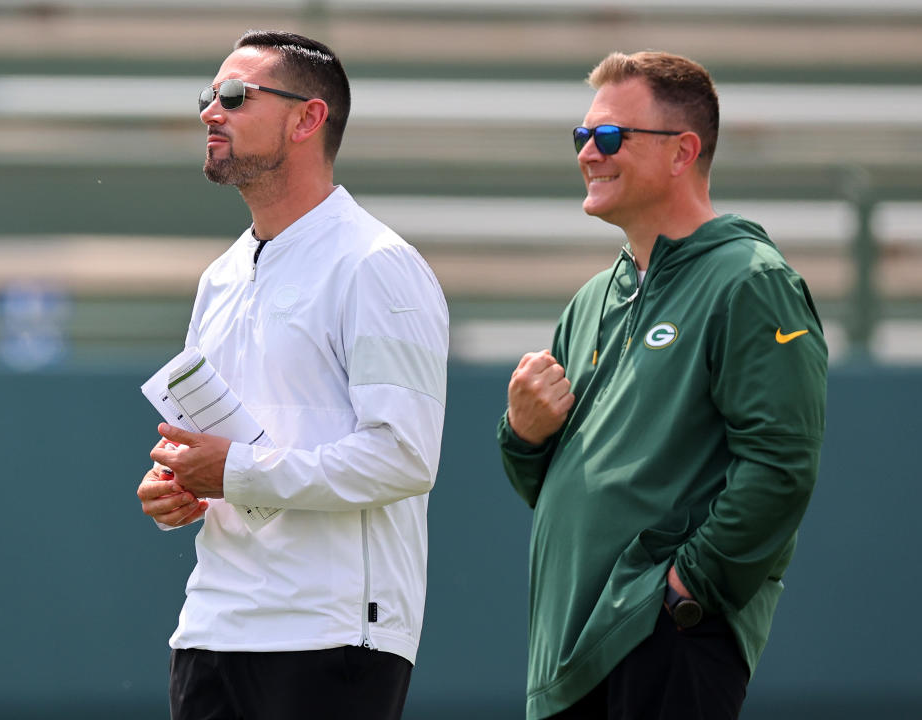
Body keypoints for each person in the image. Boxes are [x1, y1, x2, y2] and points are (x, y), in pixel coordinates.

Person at [497, 51, 828, 720]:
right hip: (568, 650)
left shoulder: (751, 281)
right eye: (582, 137)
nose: (589, 153)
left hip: (662, 633)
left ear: (682, 153)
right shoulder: (592, 298)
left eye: (611, 137)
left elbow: (780, 467)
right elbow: (557, 483)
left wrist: (687, 590)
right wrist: (522, 435)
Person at [135, 30, 448, 720]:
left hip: (330, 633)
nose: (210, 113)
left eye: (235, 96)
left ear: (308, 119)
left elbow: (404, 456)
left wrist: (234, 472)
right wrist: (175, 487)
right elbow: (215, 451)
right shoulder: (219, 277)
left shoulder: (376, 263)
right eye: (207, 98)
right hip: (211, 627)